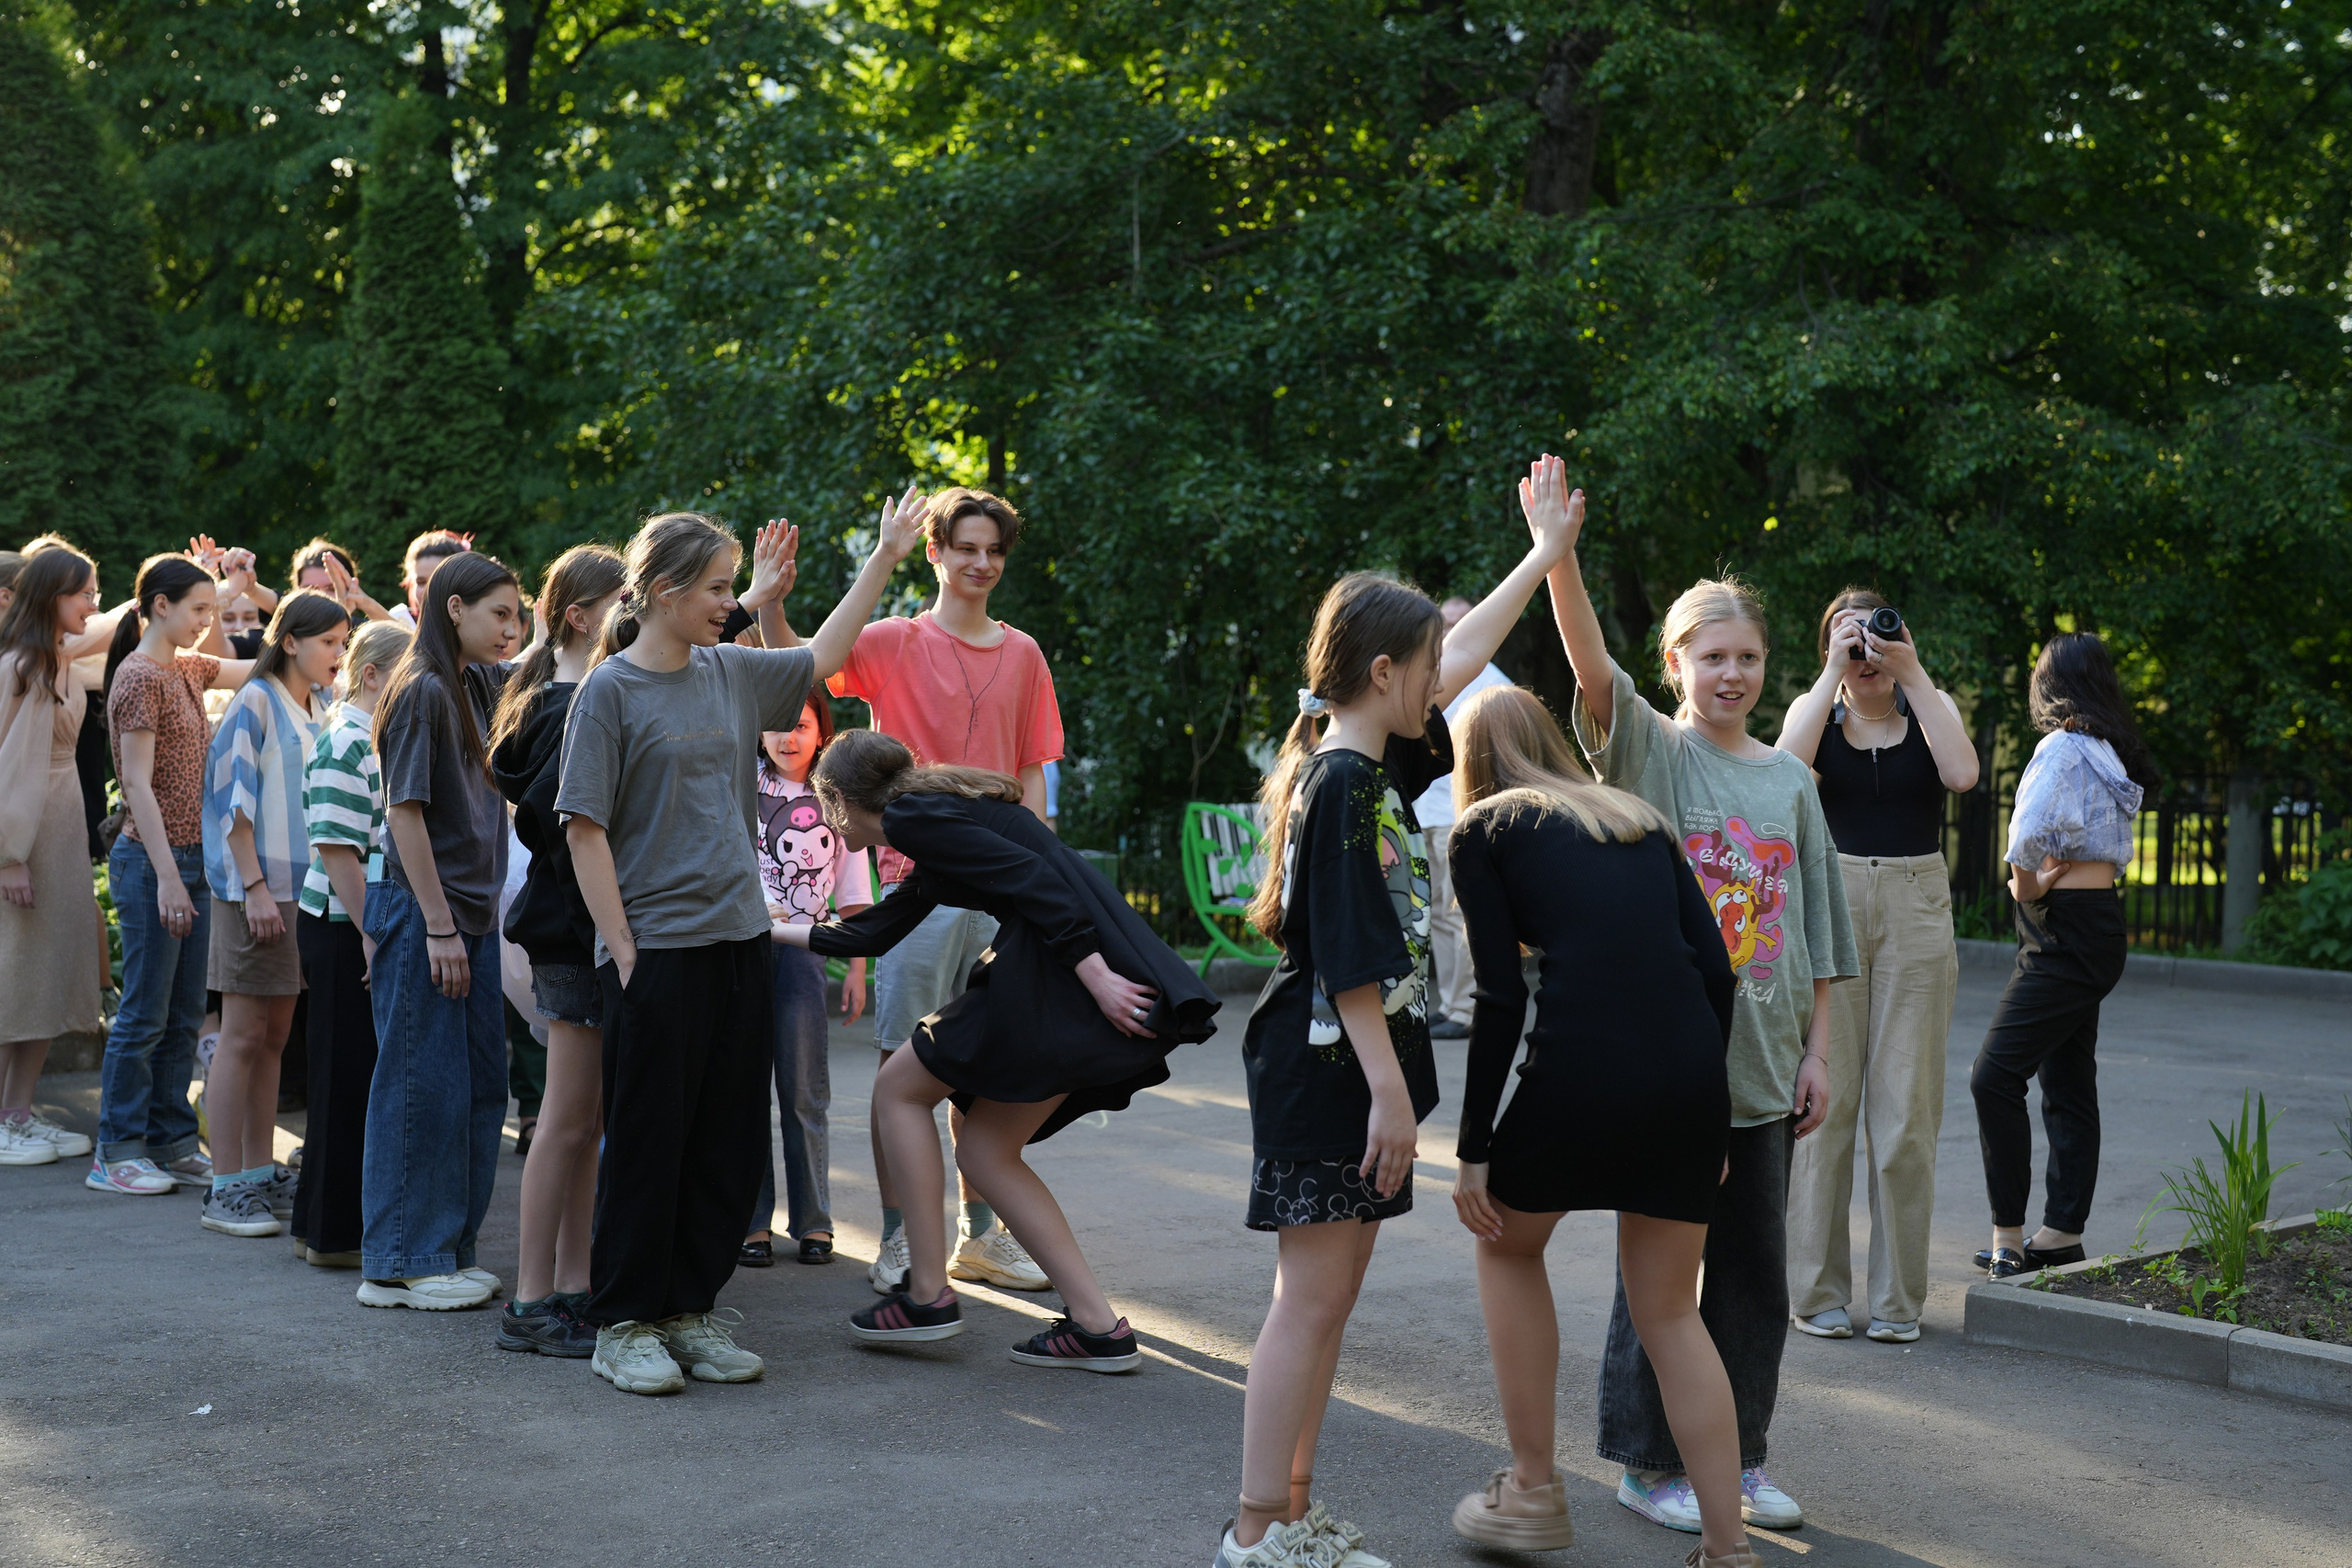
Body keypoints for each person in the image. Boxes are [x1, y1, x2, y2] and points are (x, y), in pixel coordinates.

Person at [1217, 497, 1575, 1568]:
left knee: (1326, 1307)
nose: (1444, 687)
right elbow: (1346, 956)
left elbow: (1462, 652)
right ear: (1381, 673)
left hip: (1355, 1075)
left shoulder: (1369, 762)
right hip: (1329, 1076)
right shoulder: (1338, 779)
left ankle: (1292, 1515)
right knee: (1308, 1304)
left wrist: (1542, 555)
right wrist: (1385, 1092)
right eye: (1423, 670)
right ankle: (1252, 1532)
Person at [1531, 453, 1856, 1538]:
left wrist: (1818, 1053)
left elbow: (1816, 934)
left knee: (1755, 1282)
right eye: (1711, 655)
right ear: (1675, 663)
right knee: (1657, 1283)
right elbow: (1588, 672)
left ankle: (1741, 1455)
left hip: (1765, 1077)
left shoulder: (1791, 782)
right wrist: (1558, 559)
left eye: (1749, 656)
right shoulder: (1656, 754)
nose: (1732, 673)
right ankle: (1646, 1459)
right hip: (1674, 1072)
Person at [557, 503, 917, 1396]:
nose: (732, 603)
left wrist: (883, 556)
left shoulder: (729, 672)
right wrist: (624, 950)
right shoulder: (610, 691)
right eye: (718, 589)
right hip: (657, 951)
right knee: (649, 1138)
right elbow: (583, 828)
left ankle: (688, 1310)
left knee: (724, 1138)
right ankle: (625, 1322)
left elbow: (826, 657)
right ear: (666, 594)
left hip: (740, 940)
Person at [783, 728, 1218, 1363]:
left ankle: (928, 1293)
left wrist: (1094, 976)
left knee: (898, 1088)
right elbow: (874, 931)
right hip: (1060, 964)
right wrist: (768, 931)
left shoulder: (912, 816)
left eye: (825, 808)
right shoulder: (933, 822)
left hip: (1059, 968)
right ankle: (1098, 1326)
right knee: (986, 1150)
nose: (826, 820)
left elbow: (1031, 875)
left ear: (843, 801)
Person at [1444, 684, 1752, 1568]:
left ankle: (1534, 1490)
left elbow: (1500, 996)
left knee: (1505, 1243)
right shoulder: (1637, 818)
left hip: (1580, 1074)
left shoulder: (1485, 828)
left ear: (1473, 766)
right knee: (1668, 1312)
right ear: (1549, 739)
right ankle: (1729, 1550)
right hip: (1688, 1083)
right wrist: (1715, 1121)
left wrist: (1473, 1150)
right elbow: (1718, 975)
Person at [814, 487, 1064, 1294]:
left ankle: (979, 1234)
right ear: (937, 553)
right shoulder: (893, 639)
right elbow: (808, 661)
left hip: (1000, 891)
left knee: (986, 1063)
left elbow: (1031, 774)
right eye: (967, 548)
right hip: (915, 886)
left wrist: (1045, 882)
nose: (982, 563)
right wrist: (848, 570)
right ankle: (895, 1238)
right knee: (905, 1068)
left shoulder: (1024, 652)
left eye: (994, 551)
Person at [1775, 591, 1980, 1344]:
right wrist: (1831, 674)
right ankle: (1815, 1289)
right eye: (1846, 638)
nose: (1865, 652)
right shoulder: (1816, 715)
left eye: (1875, 635)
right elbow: (1781, 773)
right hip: (1830, 899)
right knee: (1821, 1108)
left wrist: (1915, 673)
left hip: (1916, 905)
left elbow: (1961, 773)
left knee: (1907, 1112)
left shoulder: (1929, 707)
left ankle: (1898, 1301)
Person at [357, 551, 524, 1310]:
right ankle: (401, 1261)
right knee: (423, 1085)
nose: (511, 628)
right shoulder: (422, 687)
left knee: (480, 1086)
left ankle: (446, 1248)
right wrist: (438, 926)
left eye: (517, 613)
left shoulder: (477, 680)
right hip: (432, 916)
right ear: (453, 608)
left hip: (473, 919)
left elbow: (558, 662)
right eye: (499, 613)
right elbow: (404, 812)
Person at [1972, 632, 2155, 1280]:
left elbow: (2024, 845)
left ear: (2048, 687)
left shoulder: (2060, 749)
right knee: (2068, 1081)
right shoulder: (2106, 751)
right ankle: (2060, 1233)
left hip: (2061, 932)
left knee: (1993, 1075)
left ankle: (2009, 1237)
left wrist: (2030, 885)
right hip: (2097, 926)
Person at [489, 544, 627, 1355]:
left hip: (587, 931)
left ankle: (572, 1283)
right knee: (567, 1119)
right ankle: (532, 1298)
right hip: (572, 934)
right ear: (579, 615)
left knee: (587, 1120)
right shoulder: (561, 705)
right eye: (623, 602)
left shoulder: (586, 694)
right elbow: (564, 829)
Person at [89, 556, 256, 1195]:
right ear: (160, 605)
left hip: (194, 860)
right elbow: (136, 782)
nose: (207, 622)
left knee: (184, 1013)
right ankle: (117, 1148)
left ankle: (170, 1140)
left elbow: (259, 669)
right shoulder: (138, 676)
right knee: (144, 1013)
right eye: (198, 609)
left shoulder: (187, 666)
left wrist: (304, 620)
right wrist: (167, 877)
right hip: (154, 862)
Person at [198, 589, 353, 1235]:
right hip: (251, 893)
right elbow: (234, 801)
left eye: (344, 645)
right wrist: (256, 887)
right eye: (328, 644)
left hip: (302, 893)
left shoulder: (320, 705)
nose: (338, 656)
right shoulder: (257, 700)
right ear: (289, 641)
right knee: (240, 1035)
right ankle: (225, 1185)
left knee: (274, 1038)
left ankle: (257, 1172)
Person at [288, 618, 411, 1266]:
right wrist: (371, 935)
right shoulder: (346, 739)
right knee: (343, 1076)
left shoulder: (371, 734)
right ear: (373, 675)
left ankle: (324, 1226)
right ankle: (333, 1234)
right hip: (344, 922)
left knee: (354, 1075)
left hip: (355, 919)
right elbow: (338, 851)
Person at [741, 692, 872, 1269]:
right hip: (741, 952)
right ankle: (751, 1223)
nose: (786, 738)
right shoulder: (739, 784)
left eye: (800, 725)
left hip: (805, 956)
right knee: (743, 1092)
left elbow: (854, 891)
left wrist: (860, 969)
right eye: (775, 727)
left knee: (802, 1092)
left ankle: (815, 1222)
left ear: (822, 731)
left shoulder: (835, 797)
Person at [0, 543, 109, 1168]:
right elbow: (4, 766)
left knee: (45, 971)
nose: (91, 604)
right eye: (82, 593)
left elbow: (122, 624)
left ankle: (18, 1112)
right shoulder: (17, 666)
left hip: (63, 823)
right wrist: (8, 855)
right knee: (15, 972)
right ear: (51, 596)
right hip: (25, 832)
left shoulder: (56, 659)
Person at [1409, 594, 1511, 1041]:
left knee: (1459, 914)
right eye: (1443, 624)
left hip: (1460, 812)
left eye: (1457, 623)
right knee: (1435, 915)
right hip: (1424, 811)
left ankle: (1465, 1009)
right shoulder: (1428, 674)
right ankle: (1448, 1005)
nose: (1449, 632)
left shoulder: (1488, 677)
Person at [388, 531, 474, 630]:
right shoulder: (399, 619)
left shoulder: (482, 626)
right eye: (421, 582)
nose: (428, 590)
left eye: (439, 581)